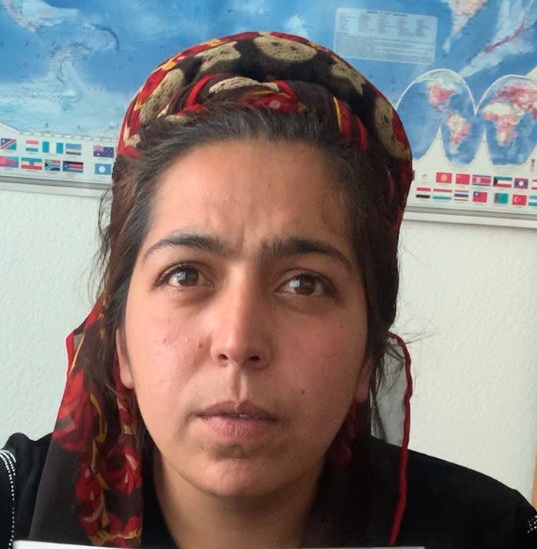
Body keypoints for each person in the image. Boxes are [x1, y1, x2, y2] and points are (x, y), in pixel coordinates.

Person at [1, 31, 535, 549]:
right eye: (186, 275)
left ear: (369, 354)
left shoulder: (491, 532)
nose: (238, 341)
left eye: (304, 284)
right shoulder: (13, 510)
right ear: (118, 339)